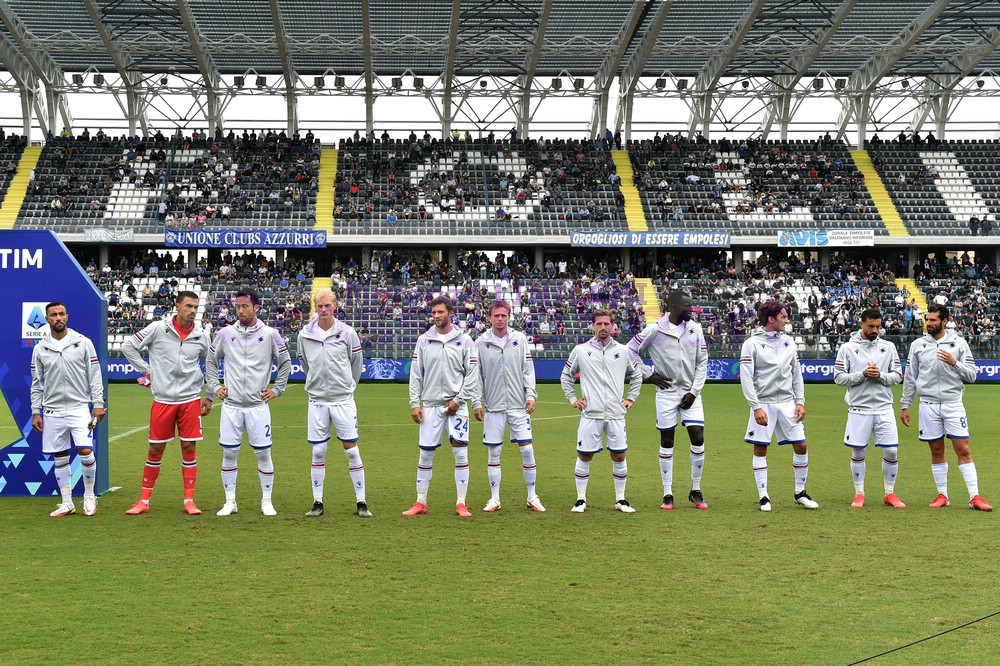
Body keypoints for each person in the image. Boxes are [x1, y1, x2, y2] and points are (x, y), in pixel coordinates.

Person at [122, 290, 214, 515]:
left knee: (189, 447)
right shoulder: (157, 328)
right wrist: (147, 370)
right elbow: (128, 346)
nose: (193, 311)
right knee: (155, 448)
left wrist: (210, 395)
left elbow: (211, 364)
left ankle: (189, 501)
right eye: (188, 306)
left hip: (190, 399)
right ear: (177, 306)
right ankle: (144, 501)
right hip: (163, 400)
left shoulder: (202, 336)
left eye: (196, 307)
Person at [207, 289, 291, 517]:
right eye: (238, 306)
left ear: (256, 308)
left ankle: (267, 501)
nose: (241, 310)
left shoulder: (271, 334)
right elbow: (211, 361)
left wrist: (277, 389)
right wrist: (215, 386)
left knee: (263, 454)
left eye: (245, 306)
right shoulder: (225, 333)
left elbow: (285, 362)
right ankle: (230, 501)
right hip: (231, 406)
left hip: (257, 406)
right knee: (229, 454)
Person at [900, 304, 992, 511]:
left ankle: (975, 496)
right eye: (927, 319)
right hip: (928, 405)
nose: (929, 323)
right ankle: (943, 495)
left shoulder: (959, 343)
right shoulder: (918, 345)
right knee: (936, 450)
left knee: (963, 449)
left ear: (944, 321)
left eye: (933, 320)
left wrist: (954, 363)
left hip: (953, 404)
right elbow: (911, 378)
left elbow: (972, 375)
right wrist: (905, 405)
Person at [627, 290, 709, 511]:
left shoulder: (695, 329)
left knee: (698, 437)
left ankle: (695, 489)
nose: (691, 309)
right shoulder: (655, 329)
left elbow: (702, 361)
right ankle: (667, 493)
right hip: (666, 393)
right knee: (667, 440)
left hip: (691, 393)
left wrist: (694, 391)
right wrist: (648, 374)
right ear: (673, 307)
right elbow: (630, 350)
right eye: (687, 306)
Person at [402, 296, 479, 518]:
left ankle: (461, 503)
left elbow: (472, 376)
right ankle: (420, 502)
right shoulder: (423, 340)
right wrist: (414, 403)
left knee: (460, 453)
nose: (436, 316)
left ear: (451, 313)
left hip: (458, 406)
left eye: (441, 312)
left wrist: (458, 400)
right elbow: (416, 374)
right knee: (425, 454)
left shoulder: (465, 341)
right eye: (434, 312)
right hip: (431, 406)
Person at [297, 289, 371, 518]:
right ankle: (317, 502)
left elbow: (356, 362)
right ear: (315, 307)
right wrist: (316, 383)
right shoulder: (304, 334)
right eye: (319, 306)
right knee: (318, 450)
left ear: (335, 305)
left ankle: (361, 502)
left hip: (342, 400)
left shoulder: (347, 332)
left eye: (327, 305)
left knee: (352, 451)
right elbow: (304, 362)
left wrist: (348, 386)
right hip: (317, 401)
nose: (323, 310)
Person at [561, 308, 643, 513]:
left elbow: (637, 375)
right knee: (584, 456)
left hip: (616, 414)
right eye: (599, 324)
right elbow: (566, 375)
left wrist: (631, 398)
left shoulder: (623, 351)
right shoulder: (580, 350)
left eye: (607, 323)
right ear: (593, 326)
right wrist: (572, 398)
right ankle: (580, 499)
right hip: (591, 414)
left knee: (619, 456)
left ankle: (620, 499)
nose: (603, 327)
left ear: (613, 326)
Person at [740, 299, 819, 512]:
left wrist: (800, 402)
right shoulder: (751, 344)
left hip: (787, 403)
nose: (787, 320)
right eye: (783, 316)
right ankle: (764, 496)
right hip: (764, 402)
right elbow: (746, 378)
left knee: (801, 446)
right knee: (760, 448)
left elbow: (796, 374)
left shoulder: (788, 342)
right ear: (771, 319)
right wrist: (756, 406)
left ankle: (800, 492)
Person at [30, 302, 106, 517]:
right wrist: (36, 411)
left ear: (67, 317)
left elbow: (95, 375)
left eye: (61, 314)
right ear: (47, 319)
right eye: (53, 315)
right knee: (60, 456)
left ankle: (89, 496)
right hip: (52, 411)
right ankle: (67, 503)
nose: (58, 318)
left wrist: (98, 404)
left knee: (85, 451)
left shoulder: (82, 342)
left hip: (79, 407)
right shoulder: (40, 348)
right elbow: (37, 382)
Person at [472, 300, 545, 513]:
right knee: (494, 452)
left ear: (509, 317)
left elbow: (527, 370)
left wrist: (530, 395)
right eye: (496, 316)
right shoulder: (481, 342)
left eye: (504, 315)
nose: (500, 319)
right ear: (490, 318)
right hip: (493, 406)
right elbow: (476, 376)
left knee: (527, 450)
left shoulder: (519, 339)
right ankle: (494, 498)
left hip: (518, 405)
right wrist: (476, 401)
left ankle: (532, 496)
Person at [833, 309, 906, 509]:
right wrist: (862, 374)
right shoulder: (847, 348)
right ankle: (859, 493)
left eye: (878, 326)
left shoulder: (888, 347)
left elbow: (897, 376)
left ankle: (889, 493)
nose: (875, 330)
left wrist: (880, 375)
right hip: (859, 408)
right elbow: (838, 377)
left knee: (891, 451)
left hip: (884, 408)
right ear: (861, 324)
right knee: (858, 452)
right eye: (871, 326)